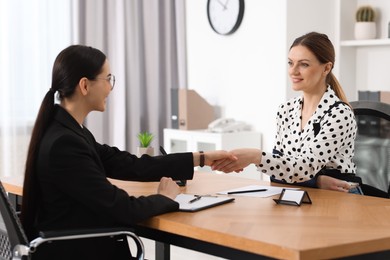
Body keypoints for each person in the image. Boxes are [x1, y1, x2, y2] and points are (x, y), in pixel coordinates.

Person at [21, 45, 236, 259]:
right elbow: (121, 208)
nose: (111, 88)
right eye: (108, 79)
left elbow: (131, 164)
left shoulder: (68, 131)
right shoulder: (65, 143)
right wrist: (164, 198)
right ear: (85, 85)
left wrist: (201, 158)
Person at [212, 32, 359, 193]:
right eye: (290, 63)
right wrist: (316, 181)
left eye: (303, 64)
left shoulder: (339, 114)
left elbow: (303, 168)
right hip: (299, 193)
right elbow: (277, 174)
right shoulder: (286, 110)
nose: (293, 71)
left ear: (326, 68)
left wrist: (256, 156)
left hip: (339, 198)